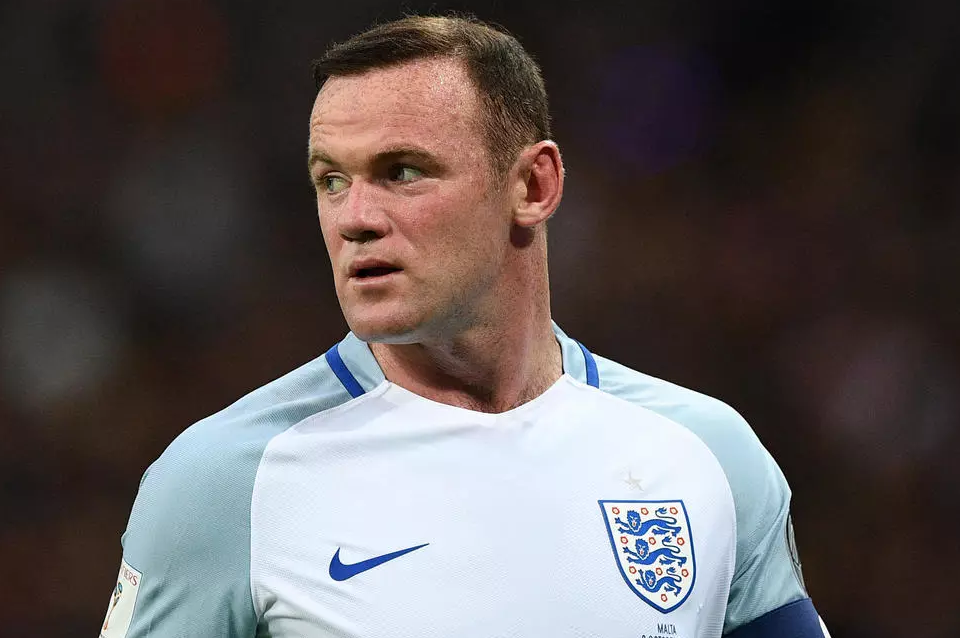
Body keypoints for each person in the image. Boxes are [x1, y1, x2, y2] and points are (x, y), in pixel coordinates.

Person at [102, 15, 830, 638]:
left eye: (402, 172)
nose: (355, 218)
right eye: (332, 180)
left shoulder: (708, 457)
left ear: (534, 185)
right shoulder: (225, 483)